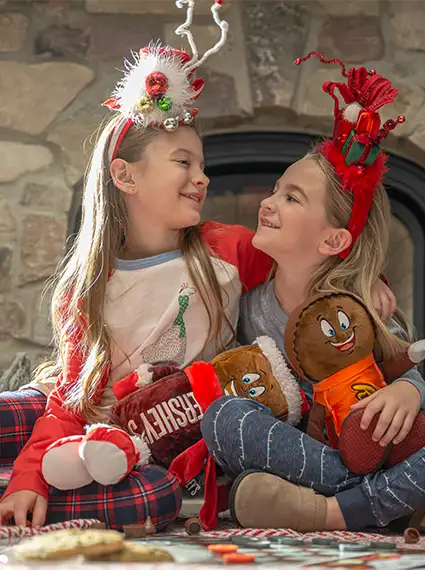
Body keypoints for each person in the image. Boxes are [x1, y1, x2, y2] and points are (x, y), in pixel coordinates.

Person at [0, 1, 274, 531]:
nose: (202, 177)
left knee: (150, 499)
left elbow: (309, 254)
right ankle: (19, 485)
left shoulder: (226, 250)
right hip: (72, 411)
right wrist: (31, 474)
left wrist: (369, 284)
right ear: (125, 177)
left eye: (202, 164)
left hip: (149, 444)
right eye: (182, 163)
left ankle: (19, 490)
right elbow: (70, 400)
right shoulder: (85, 288)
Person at [201, 54, 425, 535]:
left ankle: (340, 512)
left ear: (333, 240)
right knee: (224, 418)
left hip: (380, 449)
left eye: (291, 197)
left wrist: (404, 391)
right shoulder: (246, 306)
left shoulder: (361, 309)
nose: (268, 203)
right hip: (313, 461)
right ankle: (409, 502)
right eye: (276, 190)